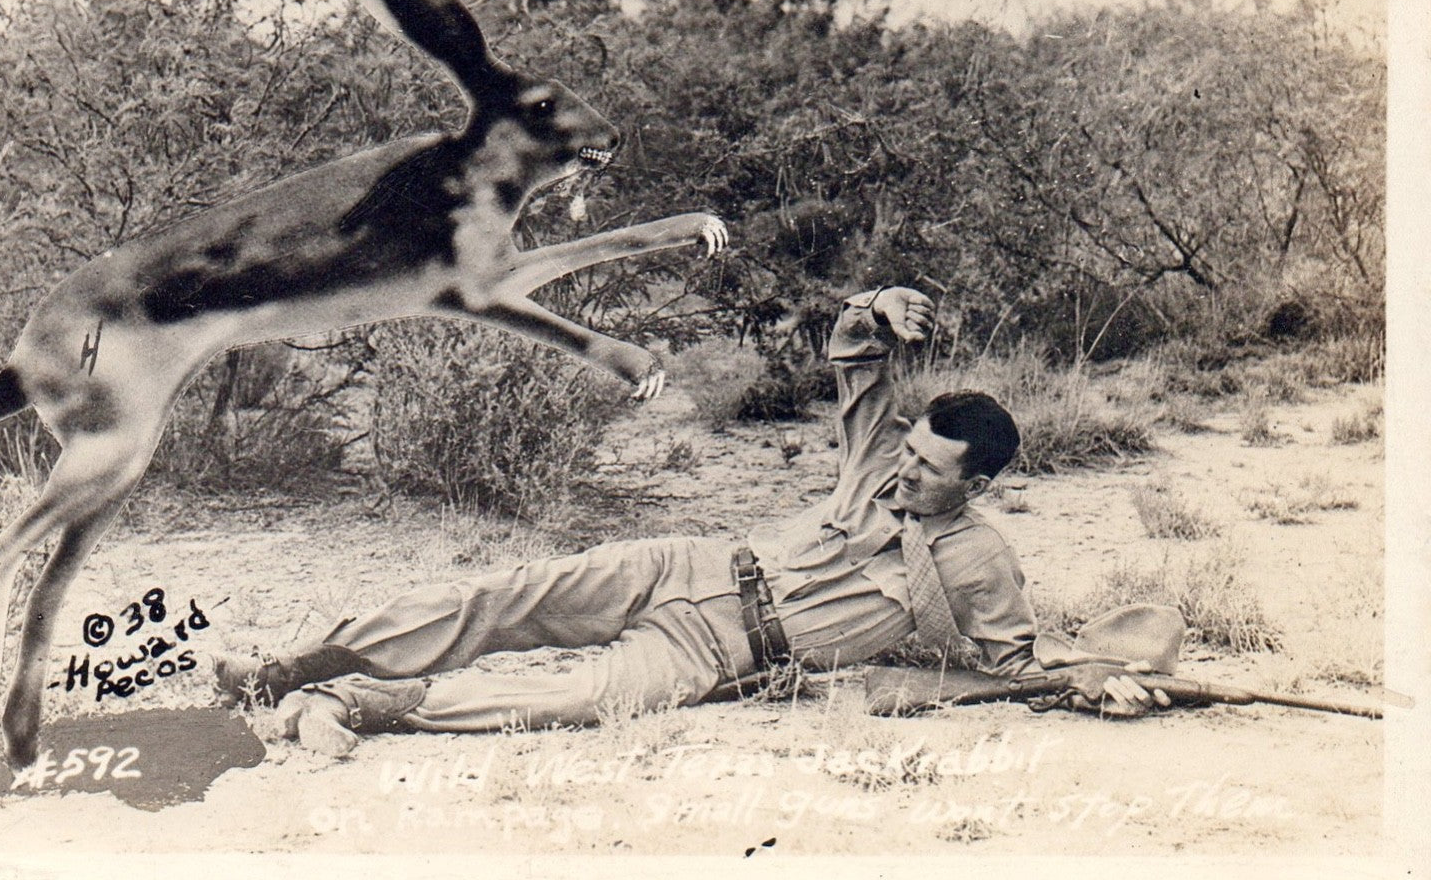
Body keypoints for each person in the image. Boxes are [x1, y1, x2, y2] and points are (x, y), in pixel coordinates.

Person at [213, 287, 1167, 755]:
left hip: (726, 656)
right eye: (909, 454)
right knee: (497, 598)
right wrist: (875, 306)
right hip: (686, 567)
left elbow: (1012, 668)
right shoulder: (885, 454)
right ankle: (290, 670)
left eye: (930, 472)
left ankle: (367, 707)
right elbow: (854, 359)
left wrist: (1094, 683)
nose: (905, 473)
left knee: (574, 701)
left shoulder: (983, 564)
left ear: (981, 485)